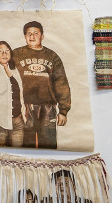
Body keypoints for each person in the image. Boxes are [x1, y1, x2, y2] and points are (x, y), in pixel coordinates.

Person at [12, 21, 71, 149]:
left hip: (48, 107)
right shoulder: (16, 54)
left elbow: (61, 83)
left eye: (36, 33)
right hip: (24, 107)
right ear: (25, 36)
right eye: (29, 34)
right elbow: (0, 61)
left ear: (42, 36)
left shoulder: (51, 56)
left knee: (48, 145)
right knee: (25, 146)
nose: (32, 36)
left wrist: (63, 111)